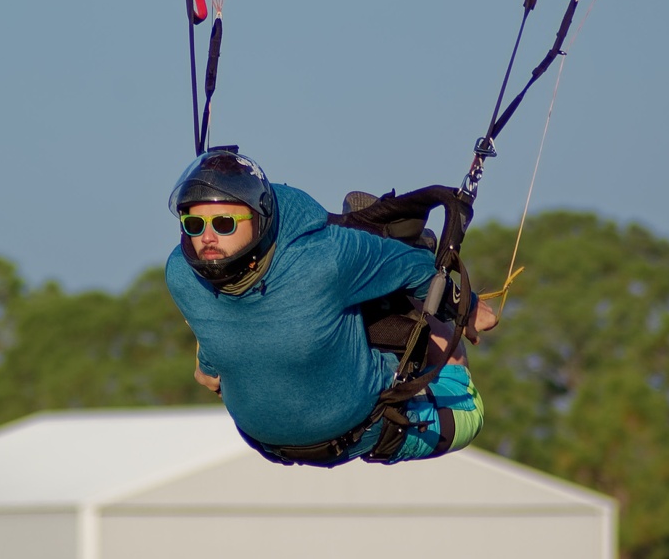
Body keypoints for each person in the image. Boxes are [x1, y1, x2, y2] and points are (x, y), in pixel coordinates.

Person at [165, 148, 497, 466]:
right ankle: (376, 288)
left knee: (421, 309)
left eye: (224, 223)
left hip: (365, 426)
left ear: (258, 217)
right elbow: (215, 329)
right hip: (286, 439)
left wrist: (465, 306)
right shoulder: (182, 274)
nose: (207, 237)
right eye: (194, 224)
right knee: (470, 410)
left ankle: (377, 271)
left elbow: (411, 265)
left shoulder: (323, 259)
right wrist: (209, 367)